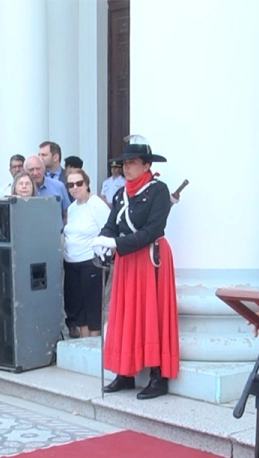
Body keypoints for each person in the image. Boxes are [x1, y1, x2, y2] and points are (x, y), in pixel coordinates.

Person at [95, 135, 178, 400]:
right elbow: (111, 224)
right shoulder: (121, 193)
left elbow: (155, 228)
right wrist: (103, 240)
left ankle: (158, 376)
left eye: (131, 163)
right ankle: (125, 372)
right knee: (125, 314)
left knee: (152, 314)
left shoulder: (158, 190)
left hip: (150, 257)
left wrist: (117, 242)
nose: (126, 168)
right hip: (127, 259)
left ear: (145, 165)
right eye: (124, 164)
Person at [64, 169, 108, 339]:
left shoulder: (96, 205)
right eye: (71, 185)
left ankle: (94, 343)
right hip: (71, 262)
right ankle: (84, 341)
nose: (75, 187)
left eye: (79, 183)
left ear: (87, 184)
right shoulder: (72, 207)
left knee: (92, 305)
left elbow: (108, 230)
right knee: (77, 305)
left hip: (91, 262)